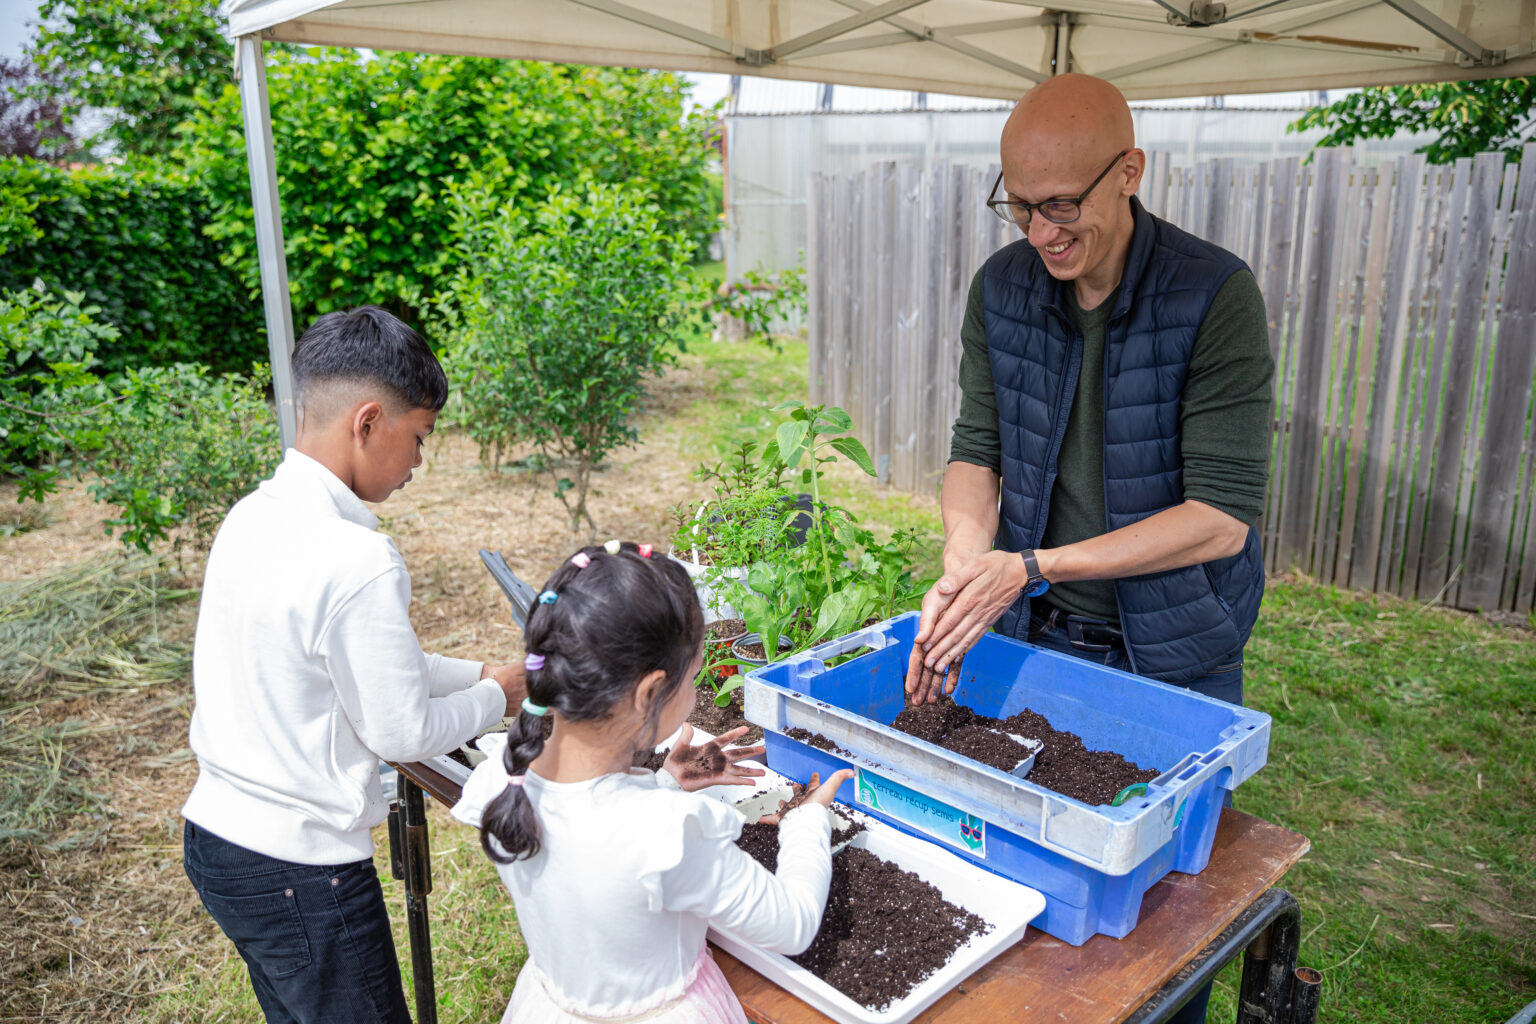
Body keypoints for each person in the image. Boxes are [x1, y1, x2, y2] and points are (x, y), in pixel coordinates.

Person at [903, 75, 1274, 1024]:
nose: (1040, 232)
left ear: (1130, 173)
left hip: (1175, 654)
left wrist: (1030, 566)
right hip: (1037, 640)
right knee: (1026, 909)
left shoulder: (1214, 294)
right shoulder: (1004, 287)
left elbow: (1220, 517)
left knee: (1157, 931)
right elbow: (973, 451)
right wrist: (967, 553)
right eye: (1018, 205)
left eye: (1061, 205)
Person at [181, 307, 527, 1024]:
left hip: (220, 844)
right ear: (368, 422)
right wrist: (500, 696)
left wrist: (481, 673)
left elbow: (366, 668)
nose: (419, 464)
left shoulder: (254, 517)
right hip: (299, 872)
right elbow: (401, 732)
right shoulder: (356, 558)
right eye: (419, 438)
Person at [450, 541, 854, 1024]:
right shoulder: (672, 836)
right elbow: (792, 925)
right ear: (649, 693)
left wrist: (662, 783)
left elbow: (600, 847)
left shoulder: (505, 774)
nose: (698, 686)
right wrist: (807, 820)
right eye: (695, 674)